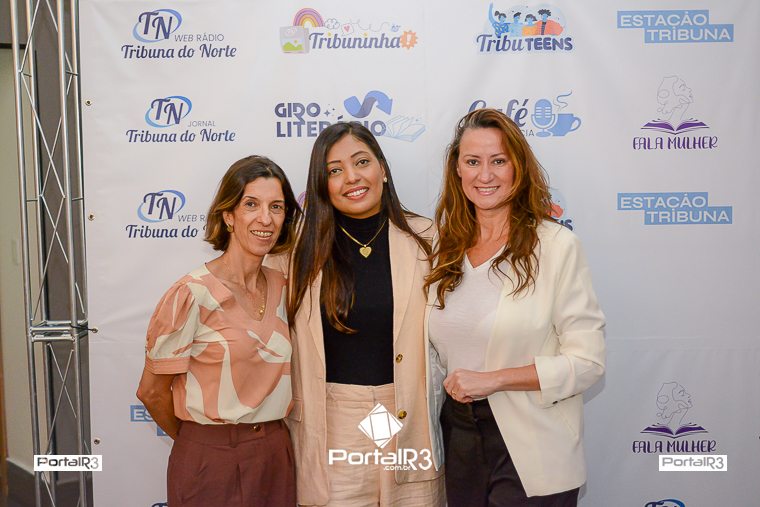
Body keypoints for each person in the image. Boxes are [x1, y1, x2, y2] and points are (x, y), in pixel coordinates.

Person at [424, 108, 605, 506]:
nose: (484, 175)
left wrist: (495, 379)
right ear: (457, 169)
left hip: (532, 443)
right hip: (459, 439)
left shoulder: (556, 247)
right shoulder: (443, 248)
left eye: (498, 161)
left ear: (518, 168)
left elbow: (588, 363)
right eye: (473, 161)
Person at [284, 122, 445, 506]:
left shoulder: (428, 239)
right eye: (334, 170)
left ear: (382, 169)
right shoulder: (298, 250)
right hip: (334, 419)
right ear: (322, 184)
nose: (351, 177)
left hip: (409, 414)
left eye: (361, 162)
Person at [136, 156, 301, 507]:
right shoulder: (191, 294)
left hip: (275, 452)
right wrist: (202, 442)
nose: (266, 219)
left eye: (276, 207)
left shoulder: (285, 286)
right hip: (211, 459)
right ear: (228, 216)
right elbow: (151, 392)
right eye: (251, 204)